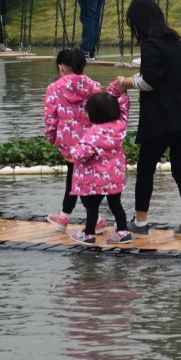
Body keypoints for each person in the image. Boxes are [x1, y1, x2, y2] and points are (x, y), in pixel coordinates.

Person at [113, 0, 181, 236]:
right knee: (180, 168)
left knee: (145, 168)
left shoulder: (151, 44)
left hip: (163, 119)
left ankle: (141, 223)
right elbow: (163, 74)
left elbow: (149, 82)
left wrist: (125, 83)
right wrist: (137, 76)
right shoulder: (174, 41)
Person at [44, 47, 104, 233]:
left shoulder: (54, 88)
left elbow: (51, 118)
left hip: (69, 143)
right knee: (84, 177)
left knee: (75, 178)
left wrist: (51, 138)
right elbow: (102, 114)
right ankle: (66, 216)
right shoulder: (95, 87)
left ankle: (92, 219)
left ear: (61, 67)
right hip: (92, 141)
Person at [67, 86, 132, 245]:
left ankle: (89, 234)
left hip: (96, 180)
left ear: (95, 114)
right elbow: (124, 107)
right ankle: (123, 232)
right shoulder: (121, 125)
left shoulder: (94, 133)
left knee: (92, 207)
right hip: (115, 176)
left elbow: (82, 153)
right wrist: (118, 91)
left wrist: (72, 153)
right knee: (116, 204)